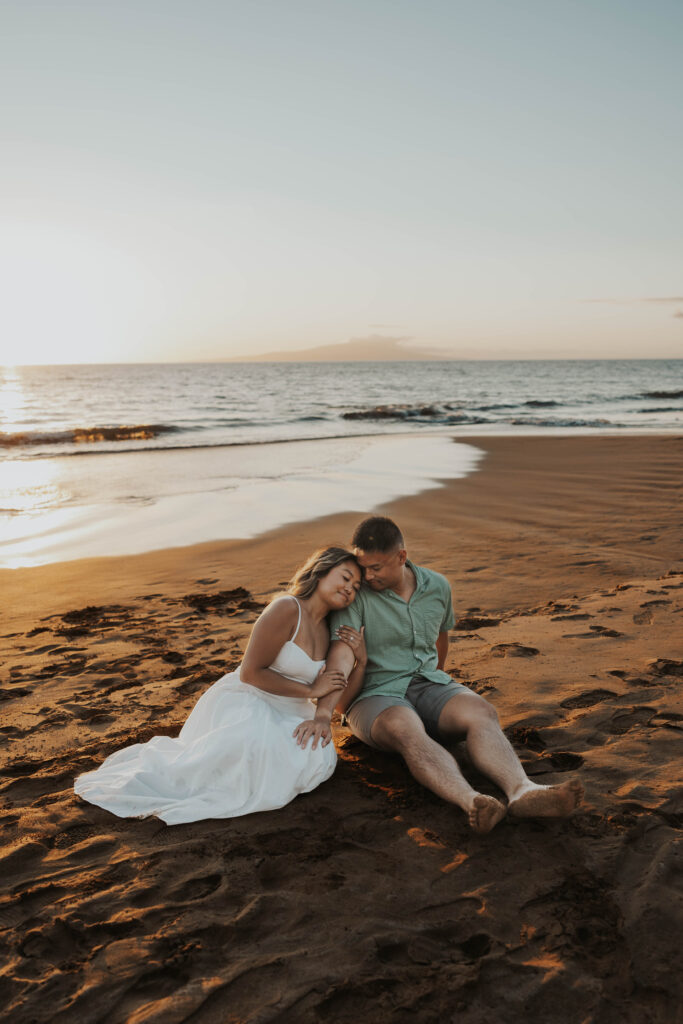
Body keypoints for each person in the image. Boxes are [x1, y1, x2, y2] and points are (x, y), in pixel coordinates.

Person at [304, 517, 584, 835]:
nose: (367, 576)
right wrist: (326, 710)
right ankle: (474, 801)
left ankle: (523, 790)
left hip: (427, 681)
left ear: (401, 557)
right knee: (405, 726)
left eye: (376, 568)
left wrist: (439, 687)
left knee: (481, 711)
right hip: (375, 696)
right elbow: (341, 654)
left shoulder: (437, 587)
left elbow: (440, 638)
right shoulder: (358, 596)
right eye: (363, 566)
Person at [74, 547, 365, 825]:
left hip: (291, 710)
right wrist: (310, 691)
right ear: (321, 571)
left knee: (316, 753)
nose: (350, 588)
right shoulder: (288, 608)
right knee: (256, 748)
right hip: (250, 700)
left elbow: (337, 691)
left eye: (356, 586)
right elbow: (250, 673)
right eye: (345, 577)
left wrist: (360, 663)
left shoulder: (330, 631)